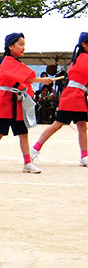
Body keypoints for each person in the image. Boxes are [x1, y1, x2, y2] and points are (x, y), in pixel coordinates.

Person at [0, 33, 54, 174]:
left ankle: (27, 163)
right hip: (5, 101)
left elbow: (24, 78)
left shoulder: (13, 62)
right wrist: (41, 80)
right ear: (10, 46)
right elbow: (26, 77)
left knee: (23, 133)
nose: (23, 47)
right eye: (20, 44)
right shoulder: (8, 61)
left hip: (15, 101)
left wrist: (39, 80)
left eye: (24, 44)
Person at [31, 32, 88, 167]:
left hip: (77, 94)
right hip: (72, 95)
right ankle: (35, 148)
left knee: (82, 126)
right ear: (84, 44)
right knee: (58, 124)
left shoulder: (80, 57)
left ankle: (84, 156)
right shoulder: (84, 57)